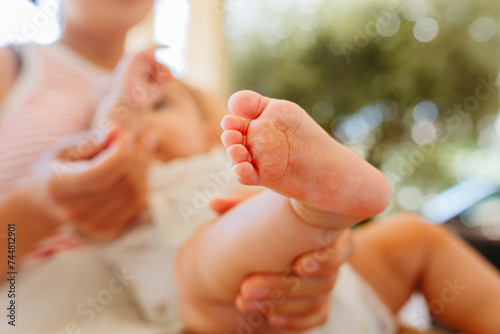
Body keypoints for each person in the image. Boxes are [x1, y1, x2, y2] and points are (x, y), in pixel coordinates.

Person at [0, 1, 347, 331]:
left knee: (396, 242)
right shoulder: (13, 67)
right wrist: (37, 206)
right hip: (37, 309)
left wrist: (325, 254)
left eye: (162, 106)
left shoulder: (193, 96)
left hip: (206, 301)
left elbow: (258, 191)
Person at [95, 51, 500, 334]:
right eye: (125, 114)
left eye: (161, 106)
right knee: (202, 261)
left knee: (414, 238)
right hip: (225, 313)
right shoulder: (121, 197)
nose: (141, 121)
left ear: (207, 130)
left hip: (338, 287)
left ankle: (313, 207)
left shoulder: (230, 162)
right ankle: (314, 208)